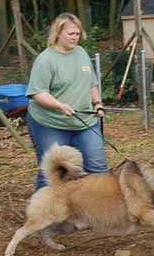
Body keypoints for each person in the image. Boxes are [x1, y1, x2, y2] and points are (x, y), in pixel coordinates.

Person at [25, 12, 108, 190]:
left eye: (77, 34)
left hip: (85, 122)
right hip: (50, 123)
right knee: (54, 172)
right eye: (71, 34)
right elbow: (37, 93)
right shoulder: (46, 60)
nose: (75, 37)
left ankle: (98, 211)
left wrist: (97, 103)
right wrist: (59, 105)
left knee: (98, 168)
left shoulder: (82, 53)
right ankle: (46, 214)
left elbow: (91, 83)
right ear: (58, 33)